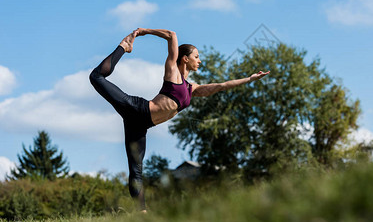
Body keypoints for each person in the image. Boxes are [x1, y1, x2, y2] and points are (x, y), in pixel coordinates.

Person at [89, 28, 270, 212]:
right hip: (137, 108)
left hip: (141, 125)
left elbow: (221, 86)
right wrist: (143, 31)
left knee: (136, 170)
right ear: (185, 58)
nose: (200, 60)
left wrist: (249, 79)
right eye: (197, 56)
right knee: (96, 77)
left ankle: (141, 213)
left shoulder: (192, 89)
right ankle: (123, 47)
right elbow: (172, 35)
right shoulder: (172, 71)